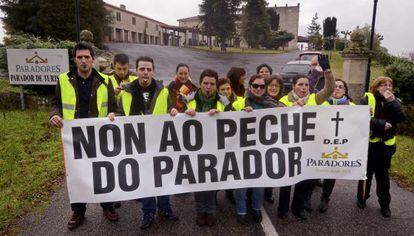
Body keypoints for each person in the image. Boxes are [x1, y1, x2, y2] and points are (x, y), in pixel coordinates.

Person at [49, 42, 118, 230]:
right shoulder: (63, 80)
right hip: (75, 137)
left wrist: (114, 114)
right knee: (77, 174)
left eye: (87, 57)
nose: (84, 60)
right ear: (74, 59)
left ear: (93, 59)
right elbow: (56, 103)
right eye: (80, 57)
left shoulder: (105, 80)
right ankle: (78, 211)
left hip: (100, 135)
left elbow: (114, 107)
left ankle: (108, 206)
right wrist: (54, 114)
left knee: (103, 171)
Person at [117, 56, 178, 229]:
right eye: (142, 69)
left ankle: (165, 208)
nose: (145, 72)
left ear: (153, 71)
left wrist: (173, 110)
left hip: (159, 143)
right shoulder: (125, 92)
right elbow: (121, 113)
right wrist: (114, 116)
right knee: (146, 180)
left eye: (149, 69)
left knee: (163, 178)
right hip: (138, 144)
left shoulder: (163, 91)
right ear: (136, 70)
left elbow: (169, 111)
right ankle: (148, 212)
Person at [278, 54, 335, 220]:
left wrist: (327, 71)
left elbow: (330, 89)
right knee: (287, 182)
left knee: (304, 181)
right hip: (288, 147)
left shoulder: (314, 99)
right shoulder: (284, 100)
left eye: (306, 84)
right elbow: (277, 120)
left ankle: (298, 208)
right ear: (293, 86)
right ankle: (282, 210)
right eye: (300, 85)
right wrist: (292, 109)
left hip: (309, 147)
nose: (304, 87)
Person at [232, 74, 283, 225]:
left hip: (262, 152)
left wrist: (298, 107)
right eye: (255, 86)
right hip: (242, 152)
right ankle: (241, 211)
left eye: (262, 86)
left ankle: (256, 208)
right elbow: (226, 123)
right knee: (241, 185)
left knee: (259, 185)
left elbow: (287, 117)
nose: (259, 89)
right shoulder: (239, 103)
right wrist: (241, 114)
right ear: (250, 86)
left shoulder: (273, 104)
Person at [356, 76, 406, 218]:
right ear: (377, 87)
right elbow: (359, 117)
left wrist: (392, 102)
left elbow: (401, 118)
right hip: (370, 144)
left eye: (390, 84)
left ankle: (385, 205)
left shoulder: (395, 101)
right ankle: (362, 198)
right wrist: (380, 124)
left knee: (383, 177)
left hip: (386, 146)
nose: (387, 87)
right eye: (383, 85)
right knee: (366, 174)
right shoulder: (367, 98)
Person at [185, 69, 226, 227]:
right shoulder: (188, 98)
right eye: (205, 83)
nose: (208, 86)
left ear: (216, 85)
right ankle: (200, 211)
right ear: (200, 83)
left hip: (216, 148)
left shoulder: (224, 101)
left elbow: (235, 117)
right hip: (195, 149)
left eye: (212, 84)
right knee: (198, 182)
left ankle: (210, 211)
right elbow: (174, 115)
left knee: (212, 183)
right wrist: (184, 113)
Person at [309, 79, 355, 213]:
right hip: (319, 143)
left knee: (331, 172)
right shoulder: (321, 102)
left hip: (337, 145)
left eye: (341, 87)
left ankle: (325, 198)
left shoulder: (352, 107)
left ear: (345, 91)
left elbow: (358, 124)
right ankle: (307, 197)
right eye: (335, 86)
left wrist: (366, 114)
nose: (337, 89)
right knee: (314, 169)